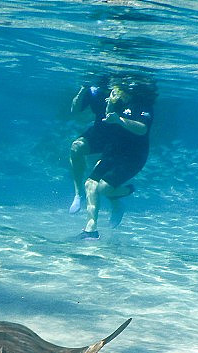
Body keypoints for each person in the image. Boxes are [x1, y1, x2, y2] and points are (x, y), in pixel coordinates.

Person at [68, 77, 155, 240]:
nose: (118, 92)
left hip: (134, 156)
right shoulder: (114, 101)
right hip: (113, 149)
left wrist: (119, 120)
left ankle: (127, 190)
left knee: (103, 188)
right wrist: (110, 105)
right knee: (90, 184)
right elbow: (106, 121)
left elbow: (143, 129)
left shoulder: (142, 104)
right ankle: (91, 230)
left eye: (122, 90)